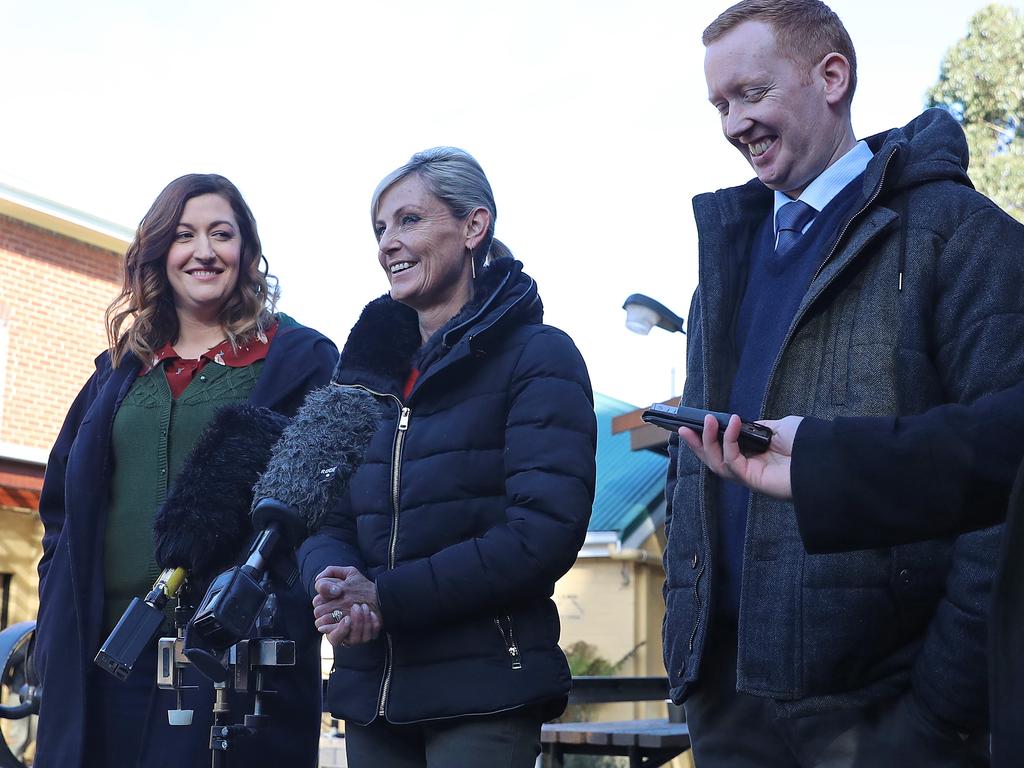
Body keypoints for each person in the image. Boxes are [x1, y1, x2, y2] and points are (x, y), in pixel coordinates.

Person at [662, 0, 1024, 765]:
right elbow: (688, 483)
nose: (733, 126)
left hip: (887, 711)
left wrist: (942, 709)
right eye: (719, 105)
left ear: (832, 76)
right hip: (726, 705)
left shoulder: (959, 236)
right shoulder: (717, 275)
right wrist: (692, 661)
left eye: (751, 94)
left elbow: (1008, 486)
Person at [298, 147, 596, 768]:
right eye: (380, 229)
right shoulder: (358, 379)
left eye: (408, 221)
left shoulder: (540, 357)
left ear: (473, 226)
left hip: (484, 690)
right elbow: (320, 517)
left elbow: (541, 534)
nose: (387, 243)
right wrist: (332, 585)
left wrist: (386, 596)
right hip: (370, 692)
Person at [33, 174, 338, 768]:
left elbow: (330, 503)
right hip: (106, 655)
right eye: (184, 235)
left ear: (247, 254)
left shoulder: (296, 360)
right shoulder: (119, 372)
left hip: (228, 664)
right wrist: (54, 604)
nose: (203, 251)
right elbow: (61, 507)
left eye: (221, 234)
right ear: (158, 253)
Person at [678, 388, 1024, 767]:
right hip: (721, 695)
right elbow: (684, 487)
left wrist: (940, 711)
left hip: (880, 704)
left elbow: (1002, 474)